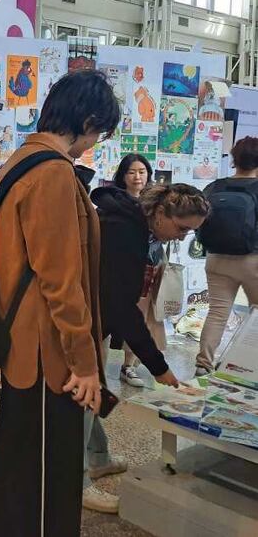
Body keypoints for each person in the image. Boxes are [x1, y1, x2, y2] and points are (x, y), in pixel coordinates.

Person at [0, 70, 119, 537]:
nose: (93, 144)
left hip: (21, 345)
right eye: (97, 132)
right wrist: (84, 364)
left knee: (19, 475)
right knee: (46, 486)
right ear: (86, 119)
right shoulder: (53, 174)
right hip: (48, 356)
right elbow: (62, 282)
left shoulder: (20, 161)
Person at [85, 182, 208, 512]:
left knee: (93, 388)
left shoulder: (133, 224)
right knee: (82, 397)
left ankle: (97, 458)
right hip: (78, 319)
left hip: (92, 318)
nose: (182, 237)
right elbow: (121, 307)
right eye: (181, 228)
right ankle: (76, 479)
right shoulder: (125, 233)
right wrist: (159, 367)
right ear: (160, 212)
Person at [195, 136, 258, 376]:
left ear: (234, 159)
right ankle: (246, 368)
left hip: (216, 259)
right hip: (253, 260)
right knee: (256, 315)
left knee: (218, 313)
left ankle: (203, 364)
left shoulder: (214, 187)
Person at [109, 153, 163, 388]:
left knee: (140, 316)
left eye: (142, 171)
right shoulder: (114, 200)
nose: (137, 176)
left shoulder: (156, 201)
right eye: (132, 172)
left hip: (149, 265)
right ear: (123, 176)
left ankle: (128, 365)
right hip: (120, 268)